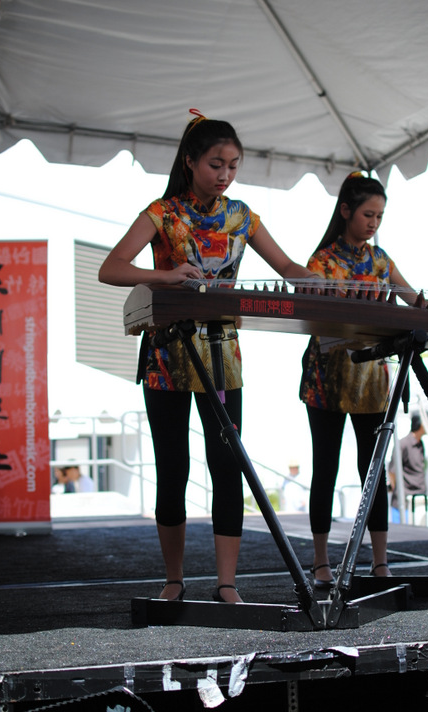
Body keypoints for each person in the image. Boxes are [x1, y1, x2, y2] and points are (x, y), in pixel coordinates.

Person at [99, 110, 315, 604]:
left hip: (222, 357)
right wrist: (165, 276)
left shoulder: (242, 215)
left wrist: (330, 285)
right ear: (191, 160)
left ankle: (226, 584)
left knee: (226, 464)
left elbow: (285, 266)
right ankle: (174, 581)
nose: (225, 174)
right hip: (166, 357)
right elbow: (111, 269)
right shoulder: (163, 212)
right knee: (172, 466)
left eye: (234, 165)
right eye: (217, 163)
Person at [299, 171, 418, 585]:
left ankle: (380, 560)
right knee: (325, 467)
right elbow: (311, 313)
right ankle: (320, 562)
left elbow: (410, 296)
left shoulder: (380, 259)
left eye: (380, 216)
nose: (374, 223)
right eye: (368, 214)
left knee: (373, 471)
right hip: (326, 376)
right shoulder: (322, 261)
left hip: (371, 379)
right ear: (346, 210)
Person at [388, 413, 428, 523]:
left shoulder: (421, 444)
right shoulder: (403, 444)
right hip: (404, 501)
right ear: (422, 424)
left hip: (419, 498)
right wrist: (397, 489)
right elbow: (392, 471)